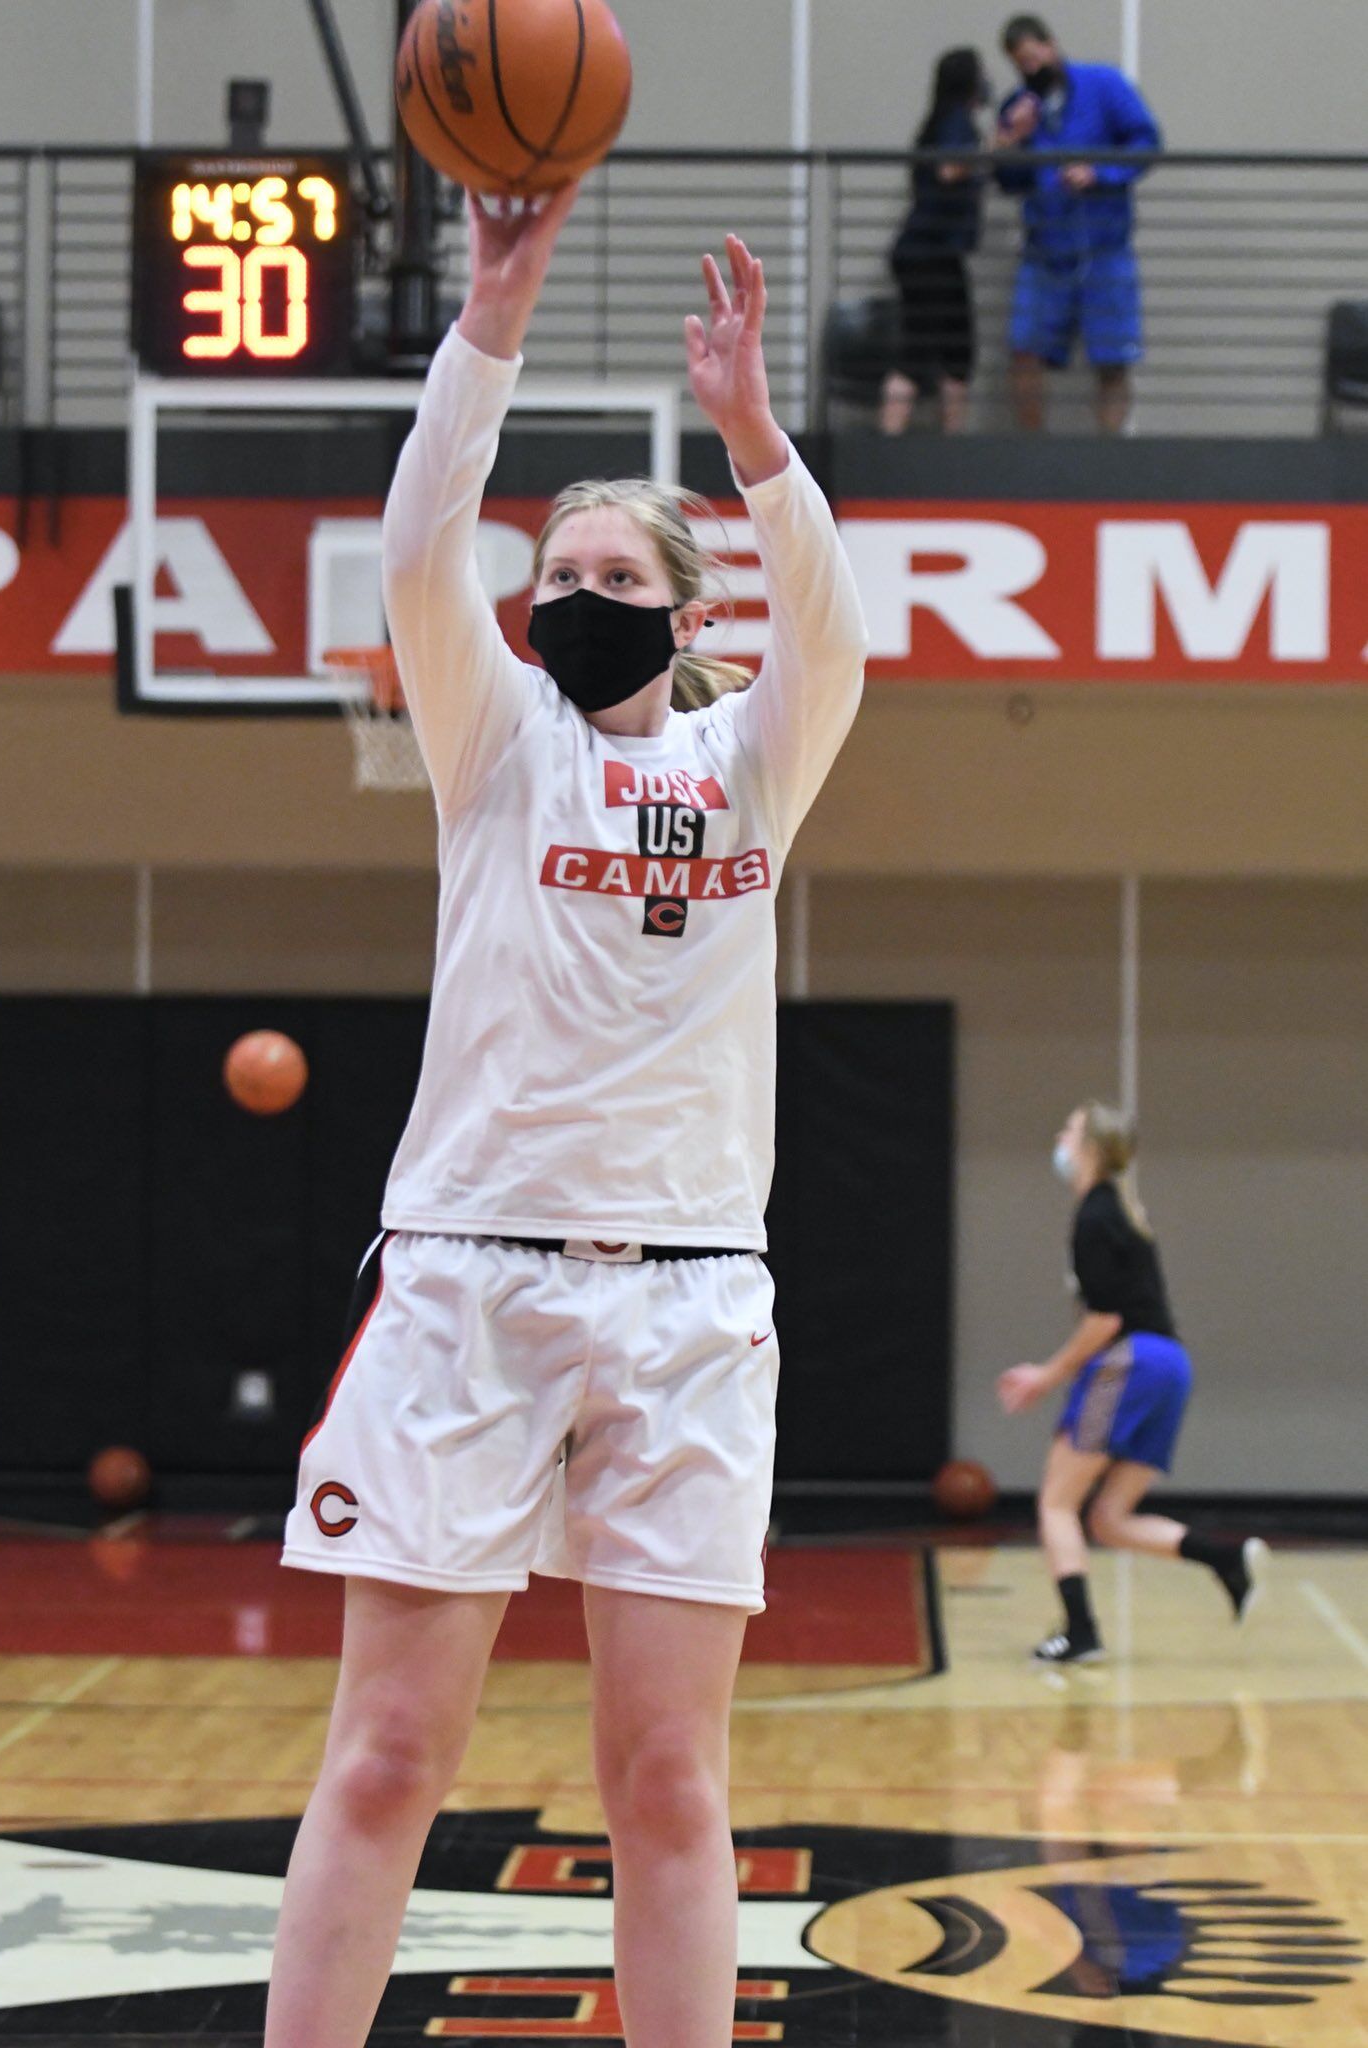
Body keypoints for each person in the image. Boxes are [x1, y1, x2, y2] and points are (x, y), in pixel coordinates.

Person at [266, 184, 868, 2048]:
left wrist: (754, 436)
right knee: (386, 1754)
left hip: (689, 1301)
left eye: (619, 580)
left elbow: (836, 621)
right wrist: (493, 316)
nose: (581, 600)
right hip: (467, 1279)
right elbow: (418, 535)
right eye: (562, 576)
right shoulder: (498, 735)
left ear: (688, 614)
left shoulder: (755, 752)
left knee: (669, 1783)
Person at [997, 1102, 1267, 1666]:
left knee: (1056, 1504)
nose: (1059, 1137)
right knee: (1109, 1519)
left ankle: (1081, 1633)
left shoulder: (1094, 1217)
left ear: (1089, 1147)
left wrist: (1045, 1376)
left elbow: (1104, 1321)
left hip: (1130, 1362)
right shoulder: (1119, 1212)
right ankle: (1227, 1560)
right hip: (1170, 1363)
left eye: (1069, 1130)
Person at [993, 13, 1162, 434]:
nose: (1031, 69)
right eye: (1021, 65)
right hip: (1045, 251)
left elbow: (1146, 142)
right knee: (1025, 350)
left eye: (1034, 58)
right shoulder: (1017, 106)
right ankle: (1032, 452)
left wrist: (1099, 172)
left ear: (1051, 45)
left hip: (1105, 248)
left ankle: (1110, 453)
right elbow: (1007, 181)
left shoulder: (1104, 84)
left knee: (1113, 359)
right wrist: (1011, 142)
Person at [882, 47, 989, 436]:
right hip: (929, 253)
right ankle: (888, 443)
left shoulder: (938, 121)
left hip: (936, 253)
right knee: (918, 354)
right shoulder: (956, 120)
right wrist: (999, 144)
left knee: (956, 353)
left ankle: (949, 446)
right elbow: (948, 168)